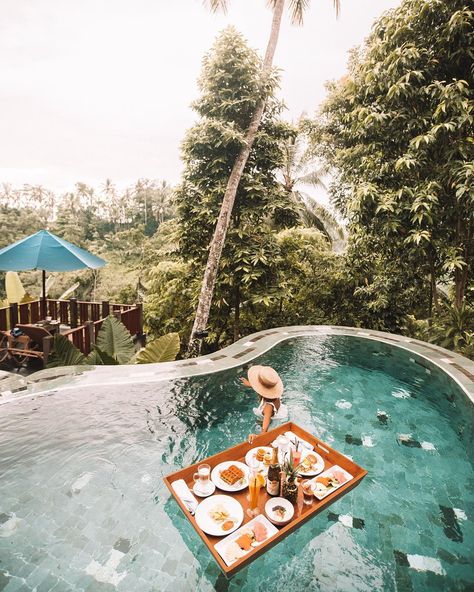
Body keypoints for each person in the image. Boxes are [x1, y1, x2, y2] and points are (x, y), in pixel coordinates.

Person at [240, 365, 288, 444]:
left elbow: (264, 431)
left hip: (271, 422)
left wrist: (256, 436)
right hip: (275, 413)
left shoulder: (268, 407)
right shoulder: (275, 395)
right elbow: (265, 388)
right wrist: (250, 384)